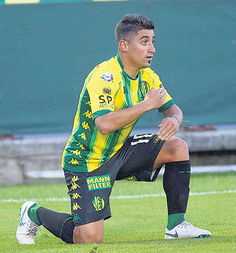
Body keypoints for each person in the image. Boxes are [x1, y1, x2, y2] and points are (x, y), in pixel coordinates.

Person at [16, 14, 211, 244]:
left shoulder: (148, 76)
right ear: (124, 45)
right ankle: (33, 213)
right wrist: (146, 105)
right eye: (145, 41)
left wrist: (175, 120)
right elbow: (105, 124)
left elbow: (173, 109)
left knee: (177, 146)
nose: (153, 49)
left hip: (120, 152)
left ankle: (176, 225)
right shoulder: (104, 76)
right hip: (87, 160)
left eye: (153, 41)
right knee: (88, 239)